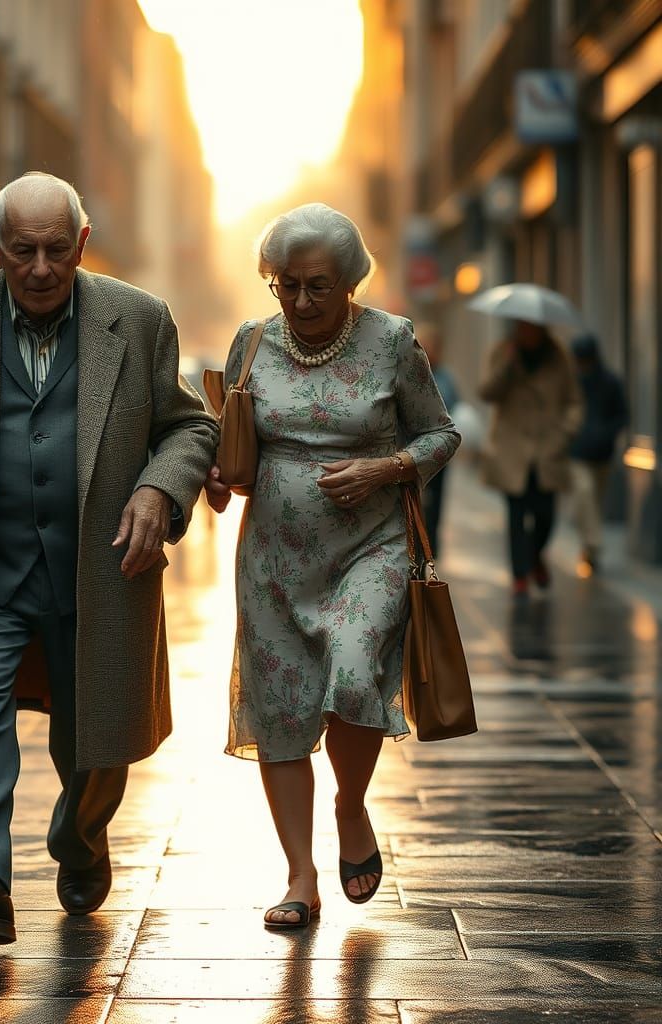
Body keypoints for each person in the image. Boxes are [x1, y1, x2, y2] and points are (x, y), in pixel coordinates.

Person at [0, 172, 217, 945]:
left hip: (103, 573)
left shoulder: (140, 319)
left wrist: (159, 491)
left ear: (81, 244)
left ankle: (79, 839)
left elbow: (190, 428)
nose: (39, 268)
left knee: (97, 744)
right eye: (21, 250)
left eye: (57, 250)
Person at [204, 204, 459, 928]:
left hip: (370, 549)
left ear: (349, 281)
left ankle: (351, 807)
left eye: (318, 285)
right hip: (275, 560)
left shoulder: (392, 342)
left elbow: (441, 435)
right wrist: (218, 479)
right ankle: (298, 876)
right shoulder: (253, 341)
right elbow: (232, 445)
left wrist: (383, 469)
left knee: (354, 673)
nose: (302, 301)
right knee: (281, 711)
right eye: (287, 284)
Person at [477, 320, 582, 599]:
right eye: (521, 327)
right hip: (513, 450)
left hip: (548, 449)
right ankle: (520, 575)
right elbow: (486, 392)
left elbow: (574, 401)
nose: (526, 332)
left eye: (531, 327)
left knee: (546, 515)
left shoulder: (558, 357)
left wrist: (565, 432)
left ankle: (535, 557)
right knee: (516, 514)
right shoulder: (503, 352)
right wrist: (508, 367)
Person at [569, 334, 626, 574]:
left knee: (594, 502)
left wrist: (607, 434)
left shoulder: (610, 382)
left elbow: (622, 415)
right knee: (584, 493)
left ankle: (588, 551)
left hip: (602, 453)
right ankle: (594, 542)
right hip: (578, 452)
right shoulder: (573, 382)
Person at [418, 325, 459, 558]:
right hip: (413, 447)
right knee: (416, 498)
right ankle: (418, 543)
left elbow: (453, 403)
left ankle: (432, 545)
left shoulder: (445, 377)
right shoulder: (413, 372)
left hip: (440, 451)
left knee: (436, 500)